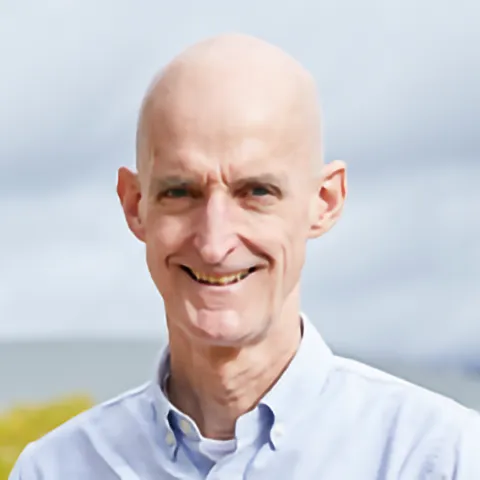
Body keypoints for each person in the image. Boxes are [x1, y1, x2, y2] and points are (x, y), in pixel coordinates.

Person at [9, 33, 480, 480]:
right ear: (135, 205)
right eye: (180, 192)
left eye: (256, 192)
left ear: (325, 201)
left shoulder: (437, 459)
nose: (214, 244)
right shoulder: (56, 470)